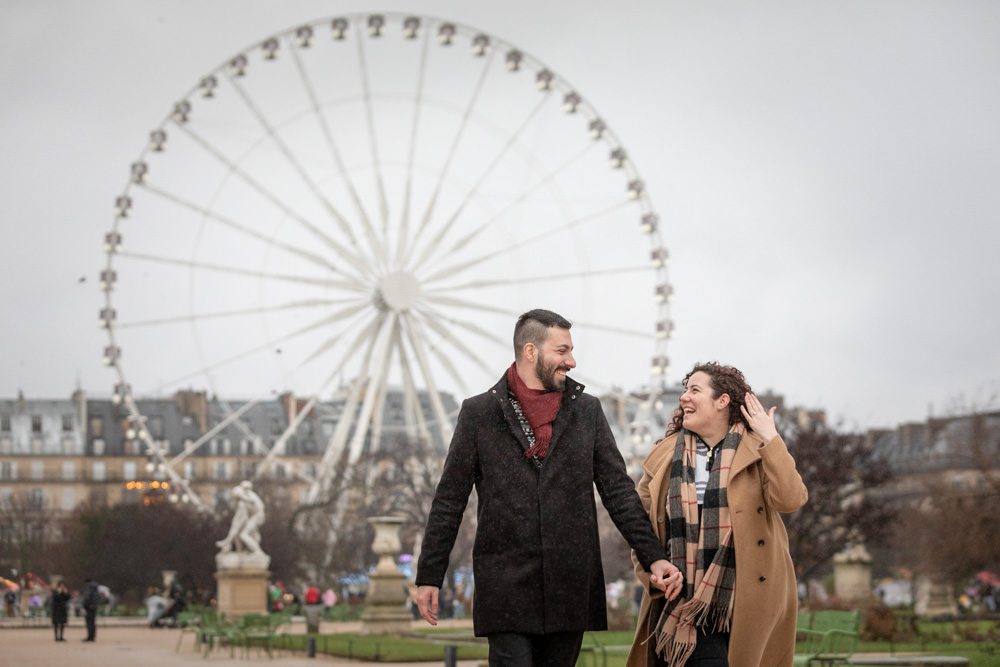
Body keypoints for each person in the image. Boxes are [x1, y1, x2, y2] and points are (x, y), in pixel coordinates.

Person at [416, 309, 681, 667]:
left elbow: (618, 491)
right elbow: (449, 500)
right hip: (506, 582)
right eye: (562, 350)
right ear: (530, 351)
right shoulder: (479, 413)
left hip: (569, 580)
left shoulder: (588, 411)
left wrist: (654, 557)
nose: (571, 361)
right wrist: (429, 576)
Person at [626, 362, 808, 667]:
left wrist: (770, 439)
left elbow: (791, 499)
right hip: (673, 600)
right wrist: (650, 574)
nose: (684, 397)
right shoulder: (663, 456)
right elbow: (641, 530)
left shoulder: (756, 450)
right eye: (685, 390)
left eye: (695, 390)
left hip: (737, 601)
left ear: (722, 401)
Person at [216, 480, 266, 555]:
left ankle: (257, 551)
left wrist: (228, 540)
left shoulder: (244, 501)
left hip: (257, 516)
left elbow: (237, 524)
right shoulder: (248, 497)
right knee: (242, 532)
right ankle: (241, 551)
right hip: (256, 516)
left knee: (243, 534)